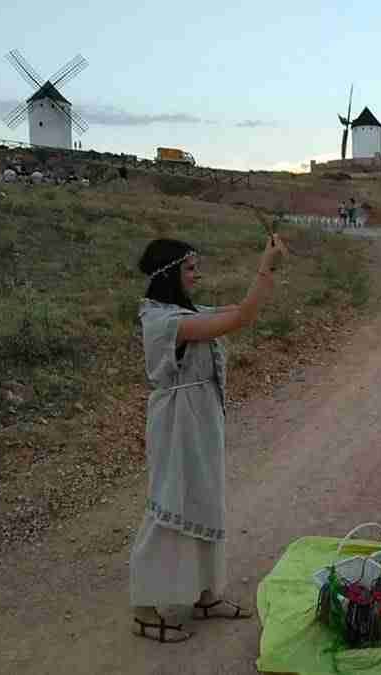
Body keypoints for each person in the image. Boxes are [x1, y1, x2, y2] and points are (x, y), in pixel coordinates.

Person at [130, 233, 286, 643]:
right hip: (178, 420)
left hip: (200, 415)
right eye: (189, 267)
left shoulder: (187, 311)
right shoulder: (164, 321)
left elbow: (236, 310)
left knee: (204, 498)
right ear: (169, 274)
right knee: (170, 501)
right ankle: (145, 609)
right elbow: (240, 319)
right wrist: (265, 268)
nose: (196, 274)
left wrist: (263, 277)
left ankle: (205, 594)